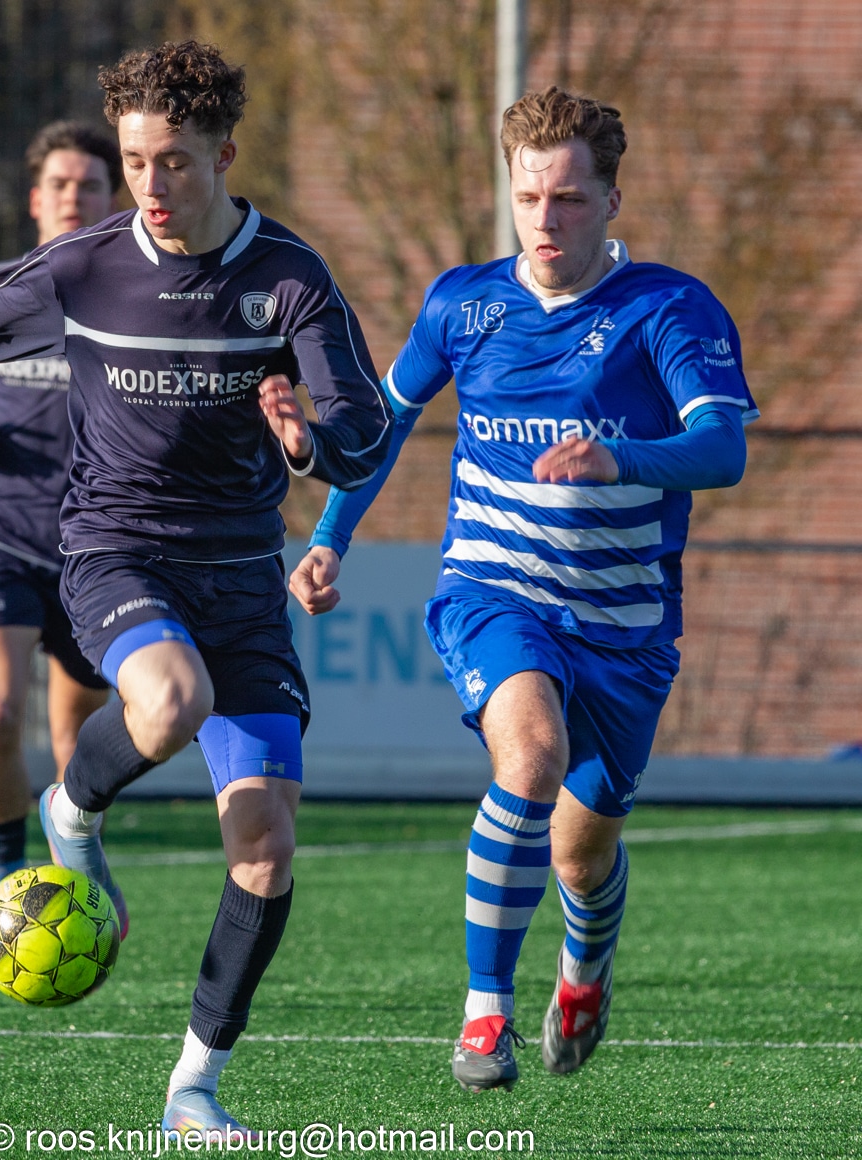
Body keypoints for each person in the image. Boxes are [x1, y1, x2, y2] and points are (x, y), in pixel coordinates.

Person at [0, 41, 390, 1137]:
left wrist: (305, 441)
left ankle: (193, 1087)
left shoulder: (291, 277)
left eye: (173, 161)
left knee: (266, 851)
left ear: (224, 155)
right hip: (115, 551)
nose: (150, 184)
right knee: (169, 700)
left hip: (243, 580)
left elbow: (364, 432)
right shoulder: (85, 265)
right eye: (135, 161)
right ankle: (74, 805)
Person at [290, 87, 756, 1092]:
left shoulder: (668, 310)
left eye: (570, 199)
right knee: (531, 755)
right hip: (493, 591)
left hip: (626, 629)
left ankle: (584, 970)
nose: (547, 220)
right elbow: (384, 425)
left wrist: (622, 458)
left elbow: (723, 450)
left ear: (612, 200)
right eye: (529, 197)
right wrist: (330, 535)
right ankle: (484, 1014)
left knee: (582, 856)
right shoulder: (463, 304)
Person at [0, 121, 121, 977]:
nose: (72, 197)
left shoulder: (132, 297)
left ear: (112, 199)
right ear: (35, 198)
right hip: (3, 534)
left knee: (73, 746)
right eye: (59, 183)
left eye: (89, 184)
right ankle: (1, 900)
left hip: (93, 546)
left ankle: (75, 887)